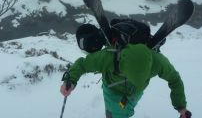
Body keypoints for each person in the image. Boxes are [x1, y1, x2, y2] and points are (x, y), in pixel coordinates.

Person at [60, 22, 191, 118]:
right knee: (115, 112)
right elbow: (82, 64)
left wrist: (182, 107)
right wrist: (70, 80)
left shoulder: (157, 61)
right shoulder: (109, 57)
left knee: (118, 112)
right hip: (119, 91)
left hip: (126, 91)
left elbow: (175, 80)